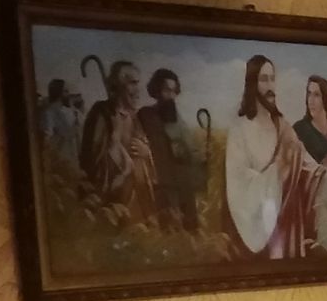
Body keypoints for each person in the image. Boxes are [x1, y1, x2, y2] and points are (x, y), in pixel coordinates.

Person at [223, 55, 327, 258]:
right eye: (263, 79)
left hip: (288, 226)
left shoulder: (282, 127)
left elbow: (307, 165)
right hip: (258, 232)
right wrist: (279, 170)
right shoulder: (239, 131)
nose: (270, 86)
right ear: (252, 84)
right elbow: (239, 185)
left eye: (272, 79)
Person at [78, 60, 156, 214]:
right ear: (117, 86)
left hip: (134, 201)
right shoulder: (101, 113)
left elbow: (145, 152)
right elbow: (92, 157)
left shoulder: (134, 118)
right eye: (132, 83)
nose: (138, 90)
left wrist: (146, 152)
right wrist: (117, 151)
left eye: (138, 83)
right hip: (107, 199)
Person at [135, 68, 206, 231]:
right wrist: (148, 152)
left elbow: (192, 152)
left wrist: (201, 154)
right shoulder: (146, 115)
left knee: (189, 231)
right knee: (168, 230)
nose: (171, 96)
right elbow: (139, 143)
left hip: (182, 184)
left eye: (174, 91)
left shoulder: (178, 120)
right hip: (160, 184)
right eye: (167, 90)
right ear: (156, 91)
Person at [295, 76, 327, 168]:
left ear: (325, 99)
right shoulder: (299, 130)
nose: (311, 100)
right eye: (309, 94)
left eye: (316, 95)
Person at [39, 79, 80, 166]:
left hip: (71, 160)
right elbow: (46, 140)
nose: (68, 94)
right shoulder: (49, 113)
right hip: (59, 162)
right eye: (66, 91)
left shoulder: (67, 111)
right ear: (58, 93)